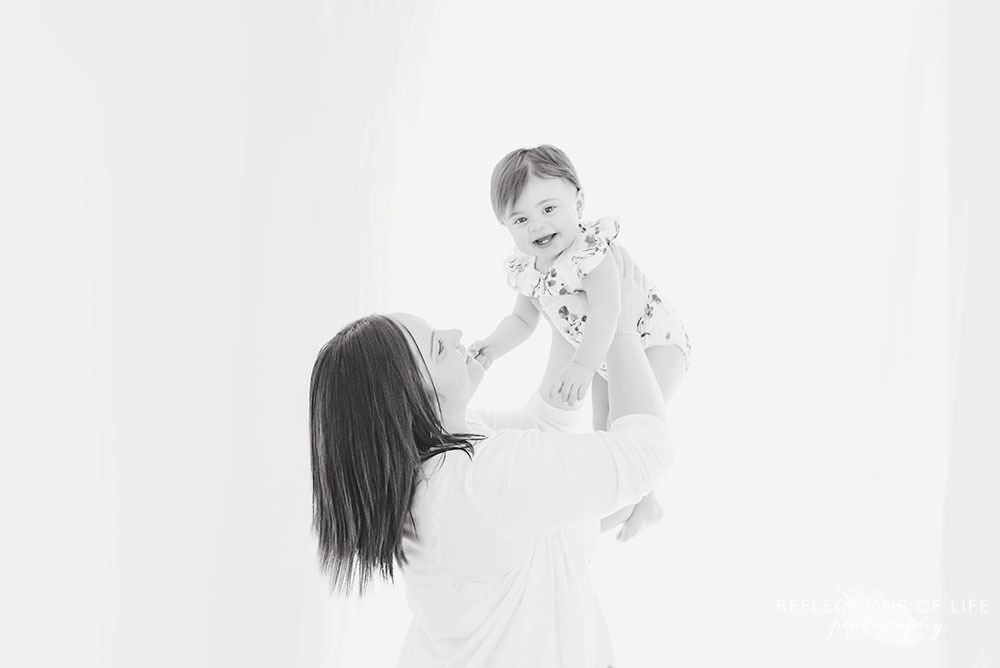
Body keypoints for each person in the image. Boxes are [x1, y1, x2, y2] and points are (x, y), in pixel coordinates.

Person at [310, 247, 674, 667]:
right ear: (413, 399)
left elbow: (546, 427)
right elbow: (648, 450)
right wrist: (620, 327)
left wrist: (563, 320)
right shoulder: (479, 475)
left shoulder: (439, 462)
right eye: (439, 348)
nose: (456, 334)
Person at [470, 144, 690, 540]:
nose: (536, 225)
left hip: (655, 342)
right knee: (606, 435)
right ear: (505, 226)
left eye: (549, 209)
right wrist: (493, 345)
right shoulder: (529, 270)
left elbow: (609, 313)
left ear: (579, 202)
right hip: (603, 352)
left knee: (637, 424)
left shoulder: (590, 254)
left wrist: (583, 367)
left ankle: (638, 501)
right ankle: (641, 503)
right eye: (520, 218)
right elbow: (522, 319)